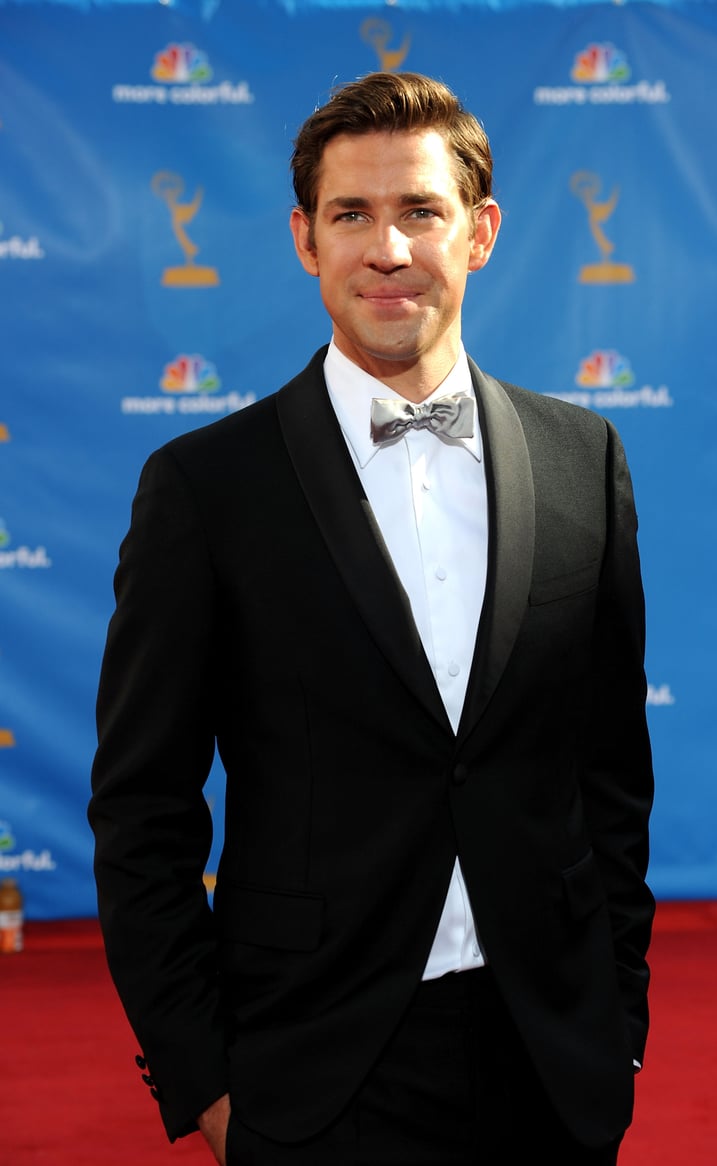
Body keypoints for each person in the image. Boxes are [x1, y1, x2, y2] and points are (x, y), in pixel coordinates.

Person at [88, 71, 654, 1166]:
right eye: (352, 214)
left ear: (480, 232)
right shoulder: (207, 488)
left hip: (553, 1061)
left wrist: (618, 1022)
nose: (387, 249)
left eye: (421, 211)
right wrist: (205, 1083)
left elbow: (610, 772)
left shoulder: (585, 460)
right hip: (313, 1075)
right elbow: (142, 807)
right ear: (305, 238)